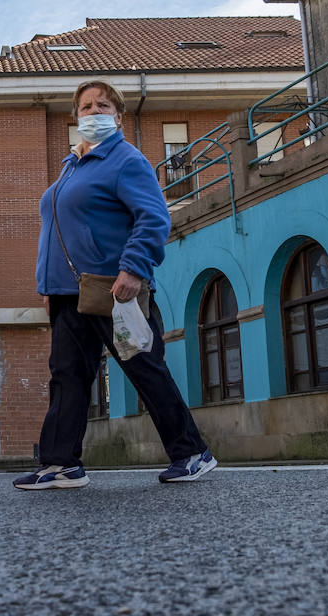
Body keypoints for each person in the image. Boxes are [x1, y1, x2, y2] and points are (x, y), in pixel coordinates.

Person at [17, 80, 216, 490]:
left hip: (113, 288)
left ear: (118, 116)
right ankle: (61, 464)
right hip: (68, 293)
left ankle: (192, 453)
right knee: (67, 376)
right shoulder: (72, 166)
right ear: (76, 117)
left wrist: (133, 269)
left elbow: (154, 218)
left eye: (102, 105)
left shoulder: (126, 159)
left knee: (144, 367)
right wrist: (46, 283)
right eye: (86, 106)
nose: (93, 112)